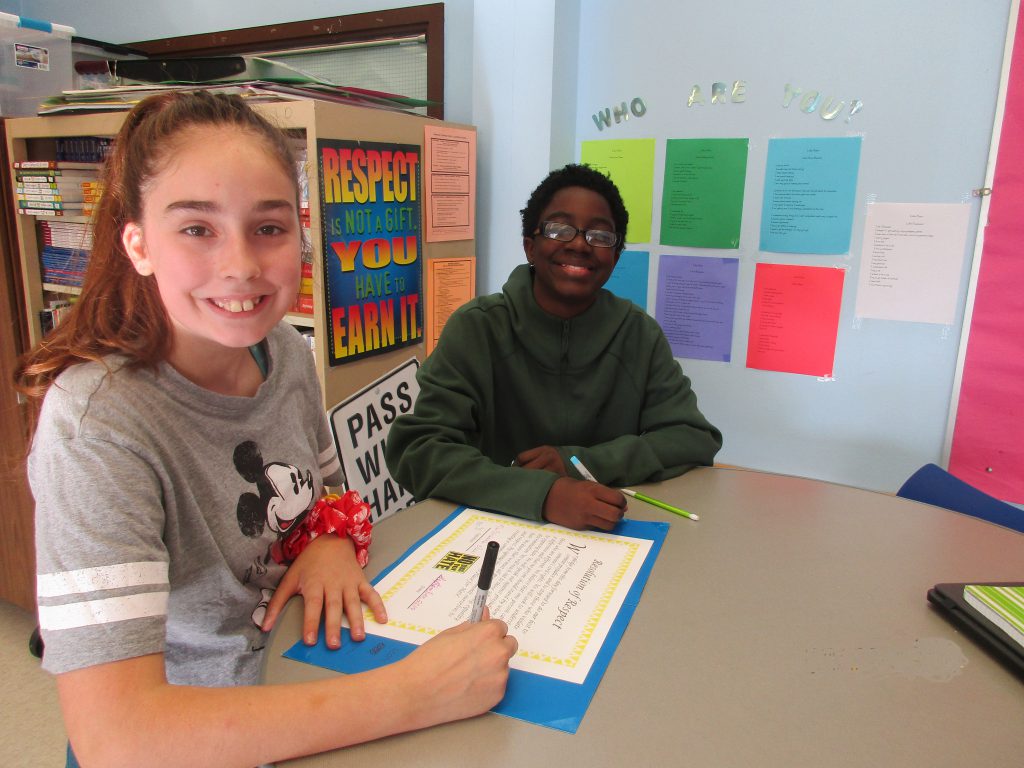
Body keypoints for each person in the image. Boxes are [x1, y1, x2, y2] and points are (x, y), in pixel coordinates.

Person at [14, 91, 517, 768]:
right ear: (138, 244)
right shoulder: (97, 429)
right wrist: (415, 693)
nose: (242, 265)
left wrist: (330, 541)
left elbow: (327, 491)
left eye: (269, 228)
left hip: (296, 679)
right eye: (197, 229)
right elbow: (119, 738)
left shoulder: (281, 349)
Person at [386, 163, 723, 531]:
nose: (579, 243)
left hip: (608, 535)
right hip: (490, 532)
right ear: (530, 245)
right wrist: (542, 494)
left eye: (600, 235)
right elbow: (418, 450)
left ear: (615, 256)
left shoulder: (638, 334)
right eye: (559, 229)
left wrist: (579, 463)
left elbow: (692, 438)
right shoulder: (477, 328)